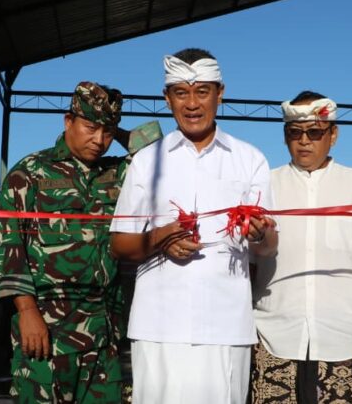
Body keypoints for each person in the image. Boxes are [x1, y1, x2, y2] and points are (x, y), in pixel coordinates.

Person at [109, 48, 278, 404]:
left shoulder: (250, 159)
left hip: (225, 326)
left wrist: (259, 234)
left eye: (202, 91)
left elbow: (268, 246)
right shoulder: (146, 161)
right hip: (158, 325)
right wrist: (159, 239)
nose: (192, 104)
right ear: (166, 98)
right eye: (181, 92)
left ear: (220, 93)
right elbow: (119, 244)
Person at [0, 81, 160, 403]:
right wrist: (26, 311)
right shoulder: (29, 173)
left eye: (107, 132)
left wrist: (113, 127)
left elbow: (156, 151)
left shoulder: (118, 173)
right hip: (46, 330)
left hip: (104, 332)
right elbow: (8, 247)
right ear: (68, 121)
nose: (99, 140)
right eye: (90, 128)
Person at [251, 91, 352, 403]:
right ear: (285, 137)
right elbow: (246, 263)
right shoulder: (265, 186)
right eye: (295, 132)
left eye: (314, 132)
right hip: (272, 335)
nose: (304, 141)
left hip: (342, 338)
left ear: (333, 135)